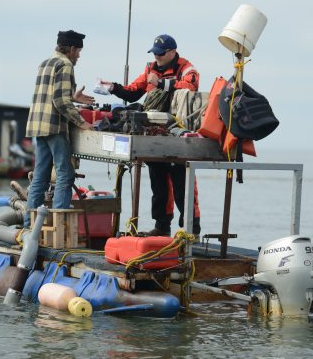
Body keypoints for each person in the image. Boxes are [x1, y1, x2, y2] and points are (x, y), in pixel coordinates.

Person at [103, 34, 201, 237]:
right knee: (158, 183)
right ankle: (162, 227)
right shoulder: (150, 69)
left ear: (172, 52)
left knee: (183, 185)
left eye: (160, 53)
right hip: (154, 136)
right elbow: (133, 91)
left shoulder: (187, 69)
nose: (156, 57)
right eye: (154, 53)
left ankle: (192, 232)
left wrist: (162, 84)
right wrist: (112, 88)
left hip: (178, 136)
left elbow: (191, 86)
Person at [25, 30, 95, 227]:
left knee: (40, 176)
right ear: (71, 49)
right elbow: (60, 101)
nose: (79, 56)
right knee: (65, 174)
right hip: (54, 127)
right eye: (78, 51)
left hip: (38, 125)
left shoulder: (45, 63)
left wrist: (74, 97)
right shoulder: (65, 64)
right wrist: (82, 123)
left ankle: (28, 225)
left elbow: (52, 94)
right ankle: (59, 225)